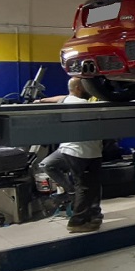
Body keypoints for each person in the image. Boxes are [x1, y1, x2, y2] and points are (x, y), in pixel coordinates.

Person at [38, 78, 104, 233]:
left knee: (90, 186)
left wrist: (41, 100)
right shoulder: (86, 104)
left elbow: (60, 97)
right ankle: (77, 222)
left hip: (72, 150)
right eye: (88, 86)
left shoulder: (67, 100)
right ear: (80, 88)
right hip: (83, 152)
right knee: (85, 187)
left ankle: (92, 214)